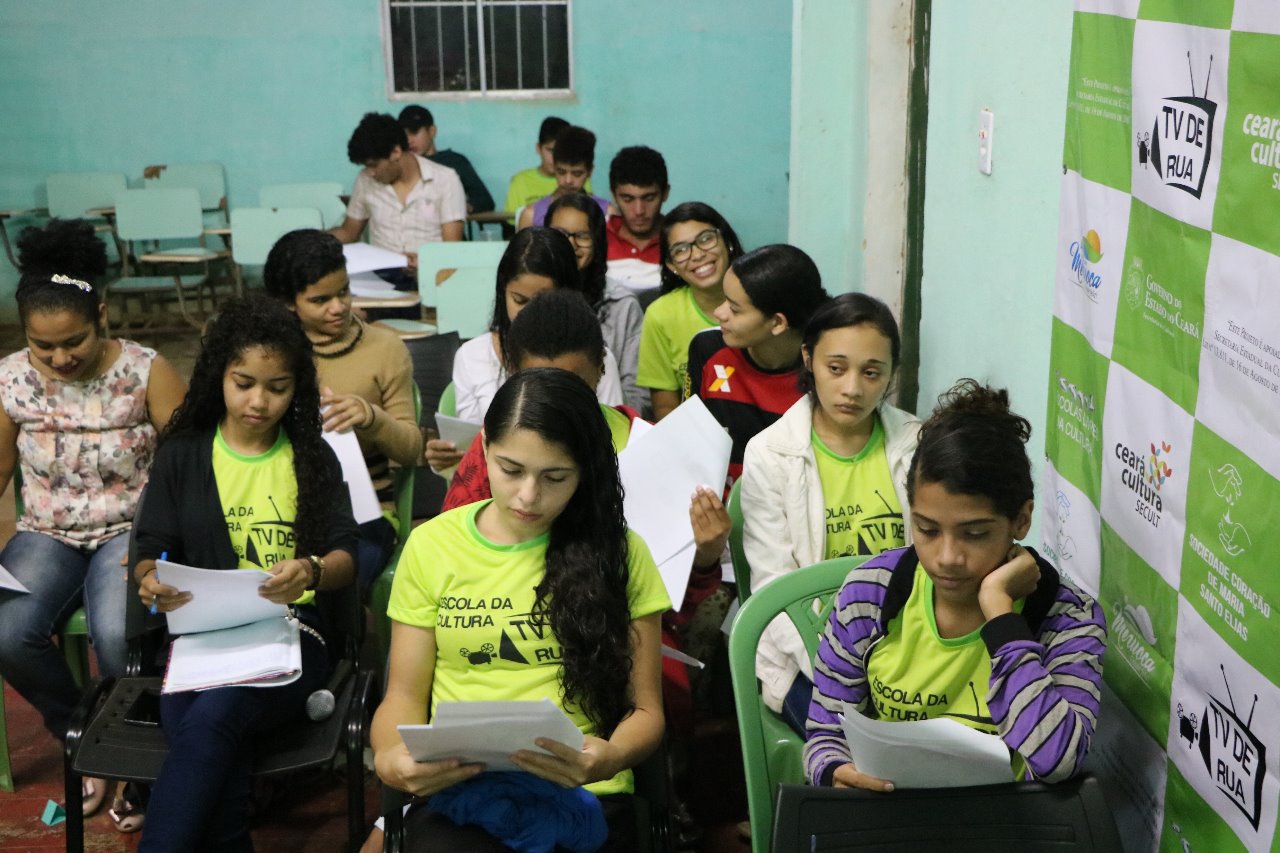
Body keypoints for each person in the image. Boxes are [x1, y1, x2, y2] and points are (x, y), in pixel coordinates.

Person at [373, 368, 670, 850]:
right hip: (462, 788)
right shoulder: (432, 546)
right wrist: (391, 760)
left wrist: (612, 756)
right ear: (484, 447)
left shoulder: (619, 554)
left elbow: (646, 710)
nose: (528, 496)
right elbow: (403, 696)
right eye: (511, 470)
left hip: (583, 790)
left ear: (584, 472)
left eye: (555, 477)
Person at [132, 295, 358, 851]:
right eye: (244, 383)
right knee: (213, 742)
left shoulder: (312, 457)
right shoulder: (184, 455)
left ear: (297, 388)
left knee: (211, 719)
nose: (259, 401)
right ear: (219, 377)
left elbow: (346, 557)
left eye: (277, 387)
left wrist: (310, 570)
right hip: (199, 641)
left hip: (292, 638)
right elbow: (150, 547)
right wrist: (149, 580)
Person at [804, 380, 1107, 789]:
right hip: (889, 811)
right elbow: (825, 734)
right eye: (927, 529)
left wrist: (1001, 616)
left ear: (1021, 520)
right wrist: (835, 771)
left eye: (975, 534)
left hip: (1008, 820)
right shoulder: (871, 594)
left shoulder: (1066, 616)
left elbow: (1058, 760)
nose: (947, 556)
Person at [0, 219, 185, 825]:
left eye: (73, 341)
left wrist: (162, 540)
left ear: (101, 315)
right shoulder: (10, 378)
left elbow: (186, 460)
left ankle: (132, 752)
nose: (60, 358)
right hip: (45, 534)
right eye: (42, 346)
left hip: (128, 531)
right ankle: (84, 736)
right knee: (7, 631)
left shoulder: (146, 369)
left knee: (116, 635)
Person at [741, 293, 920, 732]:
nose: (853, 389)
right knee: (856, 750)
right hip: (805, 657)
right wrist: (844, 671)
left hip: (908, 651)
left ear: (891, 373)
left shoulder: (917, 444)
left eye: (872, 373)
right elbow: (775, 591)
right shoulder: (770, 453)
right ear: (808, 359)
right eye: (836, 368)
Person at [263, 229, 423, 597]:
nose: (338, 307)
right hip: (280, 507)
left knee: (330, 589)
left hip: (365, 512)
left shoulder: (384, 348)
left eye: (344, 292)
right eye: (320, 300)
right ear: (289, 303)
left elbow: (412, 449)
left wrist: (371, 416)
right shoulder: (271, 354)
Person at [425, 228, 624, 474]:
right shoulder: (470, 356)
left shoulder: (591, 359)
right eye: (519, 300)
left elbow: (615, 446)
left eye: (542, 301)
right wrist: (445, 459)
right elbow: (468, 447)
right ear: (503, 292)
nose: (528, 313)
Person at [443, 289, 642, 512]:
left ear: (601, 367)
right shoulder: (497, 441)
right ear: (513, 373)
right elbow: (456, 525)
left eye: (572, 387)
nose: (557, 404)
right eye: (513, 471)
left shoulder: (641, 443)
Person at [688, 244, 829, 486]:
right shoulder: (708, 349)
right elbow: (692, 440)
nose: (719, 313)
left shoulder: (822, 374)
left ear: (777, 323)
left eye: (734, 309)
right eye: (724, 300)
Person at [330, 112, 466, 289]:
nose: (371, 173)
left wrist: (423, 261)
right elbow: (349, 232)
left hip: (432, 277)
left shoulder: (445, 180)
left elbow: (452, 248)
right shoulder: (365, 180)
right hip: (381, 278)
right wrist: (309, 240)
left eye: (373, 165)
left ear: (396, 152)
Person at [637, 202, 744, 421]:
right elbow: (666, 408)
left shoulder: (760, 297)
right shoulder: (661, 315)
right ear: (671, 265)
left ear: (726, 241)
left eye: (705, 239)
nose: (696, 255)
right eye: (681, 250)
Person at [547, 192, 645, 412]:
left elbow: (638, 396)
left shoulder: (622, 304)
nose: (570, 244)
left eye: (582, 236)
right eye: (560, 234)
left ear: (598, 242)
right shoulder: (529, 294)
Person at [399, 105, 495, 214]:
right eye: (404, 135)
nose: (409, 140)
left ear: (432, 131)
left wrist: (463, 206)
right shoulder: (400, 166)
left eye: (414, 132)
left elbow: (486, 201)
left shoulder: (454, 161)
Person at [517, 125, 611, 230]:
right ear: (554, 168)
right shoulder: (531, 216)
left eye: (577, 174)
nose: (568, 181)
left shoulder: (607, 214)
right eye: (561, 172)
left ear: (590, 171)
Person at [604, 146, 669, 297]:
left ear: (665, 193)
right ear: (614, 195)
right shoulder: (596, 237)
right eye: (628, 199)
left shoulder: (680, 241)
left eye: (649, 198)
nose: (639, 210)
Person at [504, 116, 594, 213]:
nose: (568, 181)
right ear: (538, 148)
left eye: (576, 174)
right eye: (551, 150)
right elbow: (512, 220)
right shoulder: (520, 181)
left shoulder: (580, 179)